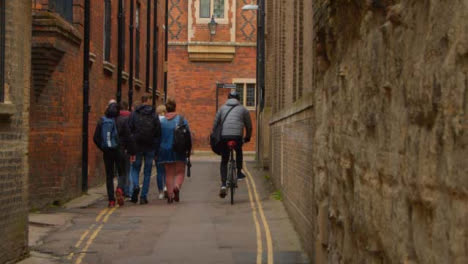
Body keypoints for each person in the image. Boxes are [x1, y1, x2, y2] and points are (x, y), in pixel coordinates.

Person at [212, 91, 252, 198]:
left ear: (228, 98)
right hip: (237, 137)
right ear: (238, 99)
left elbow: (215, 124)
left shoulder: (222, 108)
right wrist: (247, 137)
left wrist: (215, 136)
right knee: (238, 150)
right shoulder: (243, 109)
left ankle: (224, 185)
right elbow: (249, 126)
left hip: (224, 137)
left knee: (224, 160)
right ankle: (239, 172)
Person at [128, 95, 161, 204]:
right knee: (147, 172)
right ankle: (143, 196)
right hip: (150, 146)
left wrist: (131, 145)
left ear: (141, 102)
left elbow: (130, 130)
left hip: (137, 146)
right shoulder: (154, 114)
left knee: (135, 168)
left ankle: (136, 186)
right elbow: (158, 132)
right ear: (149, 101)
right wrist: (156, 148)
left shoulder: (134, 114)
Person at [157, 98, 192, 203]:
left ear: (166, 109)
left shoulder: (162, 122)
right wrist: (188, 150)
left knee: (169, 173)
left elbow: (157, 137)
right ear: (175, 107)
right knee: (180, 172)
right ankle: (177, 187)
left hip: (165, 150)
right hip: (179, 149)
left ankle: (170, 195)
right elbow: (188, 136)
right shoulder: (182, 120)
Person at [93, 102, 127, 207]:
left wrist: (103, 148)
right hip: (118, 150)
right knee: (122, 172)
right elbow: (128, 136)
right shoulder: (121, 120)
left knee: (109, 176)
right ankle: (120, 188)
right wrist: (129, 149)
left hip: (107, 152)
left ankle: (111, 201)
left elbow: (95, 138)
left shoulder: (102, 121)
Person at [116, 101, 131, 198]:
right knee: (127, 171)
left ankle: (119, 188)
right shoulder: (131, 117)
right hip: (127, 148)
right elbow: (131, 135)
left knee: (119, 170)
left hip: (117, 148)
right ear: (127, 107)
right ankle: (126, 191)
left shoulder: (115, 118)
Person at [156, 105, 168, 199]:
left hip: (158, 148)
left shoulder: (155, 121)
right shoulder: (168, 120)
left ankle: (160, 192)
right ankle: (166, 187)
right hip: (167, 148)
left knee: (159, 171)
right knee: (168, 170)